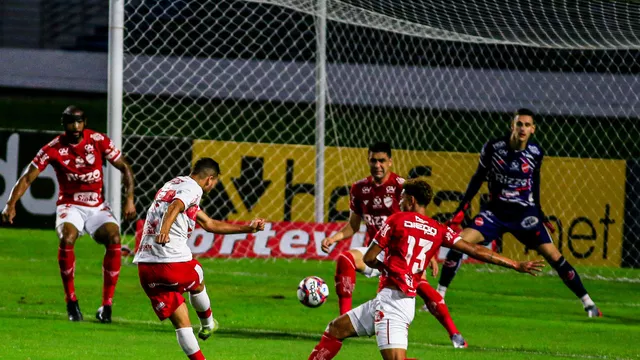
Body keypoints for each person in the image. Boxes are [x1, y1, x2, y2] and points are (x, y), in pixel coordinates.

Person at [309, 179, 544, 360]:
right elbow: (475, 249)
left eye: (402, 198)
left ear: (410, 200)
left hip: (393, 302)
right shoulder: (437, 229)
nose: (399, 202)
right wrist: (515, 264)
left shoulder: (396, 220)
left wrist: (386, 268)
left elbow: (370, 257)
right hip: (395, 300)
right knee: (336, 328)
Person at [436, 108, 602, 317]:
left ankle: (588, 303)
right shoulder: (493, 148)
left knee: (553, 255)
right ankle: (439, 297)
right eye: (519, 124)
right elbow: (478, 178)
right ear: (512, 126)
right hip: (495, 214)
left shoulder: (536, 153)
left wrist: (539, 213)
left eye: (527, 125)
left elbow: (535, 183)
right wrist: (462, 208)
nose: (522, 128)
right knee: (458, 243)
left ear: (533, 129)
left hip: (525, 215)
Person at [321, 141, 467, 348]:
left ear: (390, 162)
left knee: (423, 287)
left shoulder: (402, 186)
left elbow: (421, 223)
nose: (377, 165)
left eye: (382, 160)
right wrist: (333, 238)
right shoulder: (359, 189)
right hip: (376, 251)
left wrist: (430, 254)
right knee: (345, 258)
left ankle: (455, 334)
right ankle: (345, 318)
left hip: (403, 255)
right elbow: (353, 226)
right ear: (368, 161)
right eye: (373, 160)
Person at [1, 105, 136, 323]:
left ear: (85, 122)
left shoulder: (98, 140)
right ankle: (71, 301)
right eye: (71, 122)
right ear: (63, 124)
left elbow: (125, 168)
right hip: (70, 206)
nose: (75, 126)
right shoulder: (53, 148)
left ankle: (107, 306)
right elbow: (27, 177)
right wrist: (11, 203)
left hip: (97, 206)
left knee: (115, 238)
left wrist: (129, 199)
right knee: (67, 237)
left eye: (79, 121)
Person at [133, 158, 265, 360]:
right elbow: (176, 206)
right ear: (210, 179)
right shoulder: (194, 189)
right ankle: (208, 324)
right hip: (172, 261)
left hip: (146, 266)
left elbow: (210, 224)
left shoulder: (172, 184)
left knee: (181, 323)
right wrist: (165, 230)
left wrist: (249, 228)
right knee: (198, 274)